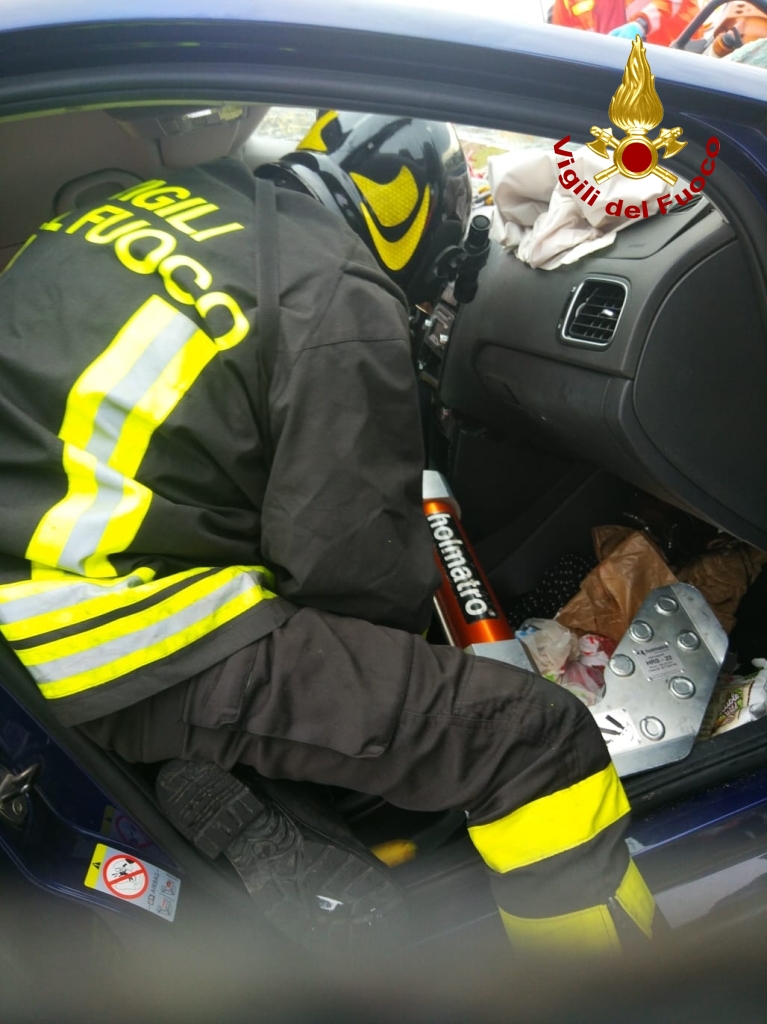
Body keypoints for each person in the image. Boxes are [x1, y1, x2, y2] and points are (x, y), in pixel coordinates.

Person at [0, 106, 658, 956]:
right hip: (106, 636)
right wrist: (412, 679)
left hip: (33, 600)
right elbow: (349, 577)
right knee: (529, 737)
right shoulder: (335, 289)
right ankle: (606, 988)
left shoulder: (129, 206)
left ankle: (234, 778)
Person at [552, 0, 703, 46]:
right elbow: (560, 44)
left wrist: (641, 24)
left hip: (671, 66)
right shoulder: (566, 2)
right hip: (607, 77)